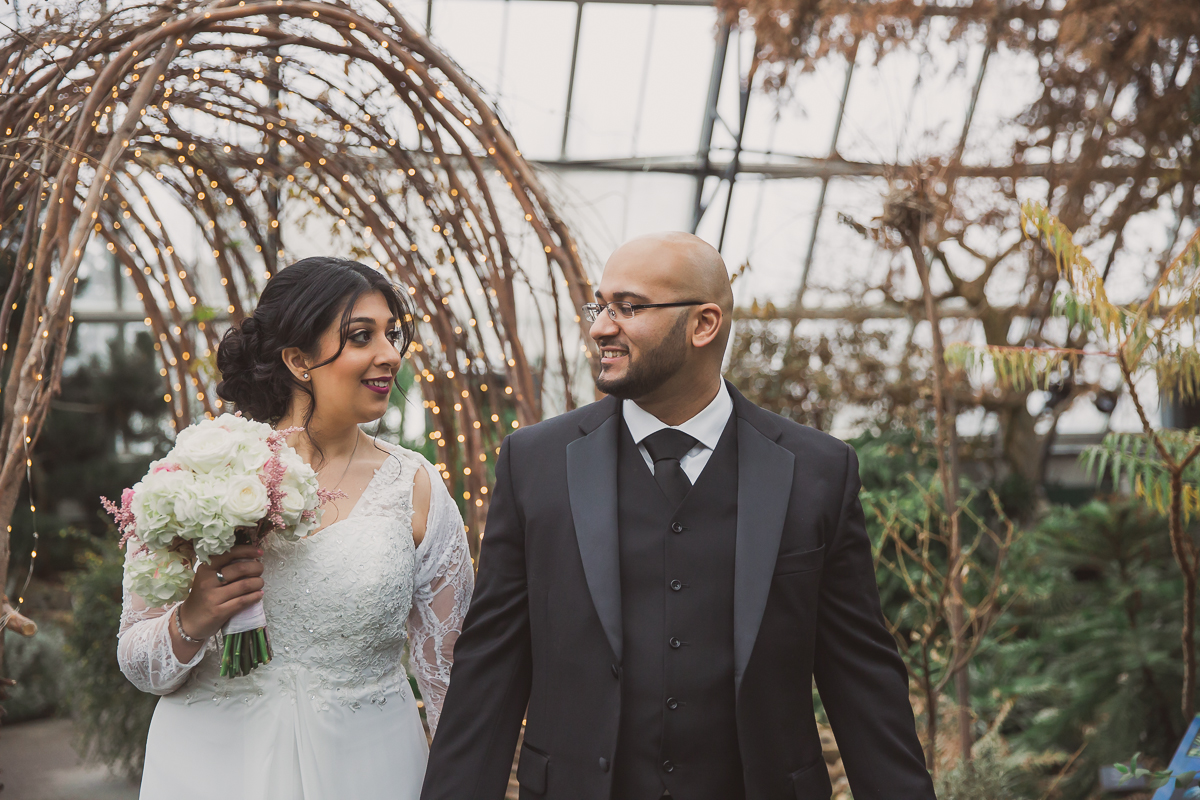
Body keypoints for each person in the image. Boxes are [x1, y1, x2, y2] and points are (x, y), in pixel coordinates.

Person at [422, 232, 934, 800]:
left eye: (629, 307)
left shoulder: (818, 470)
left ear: (704, 324)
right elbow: (491, 666)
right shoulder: (534, 463)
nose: (600, 327)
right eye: (600, 306)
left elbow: (861, 676)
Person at [117, 257, 473, 800]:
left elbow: (449, 677)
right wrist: (193, 618)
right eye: (361, 336)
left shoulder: (415, 486)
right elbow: (140, 666)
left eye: (392, 335)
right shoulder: (197, 476)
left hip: (369, 766)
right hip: (213, 768)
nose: (390, 355)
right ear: (298, 359)